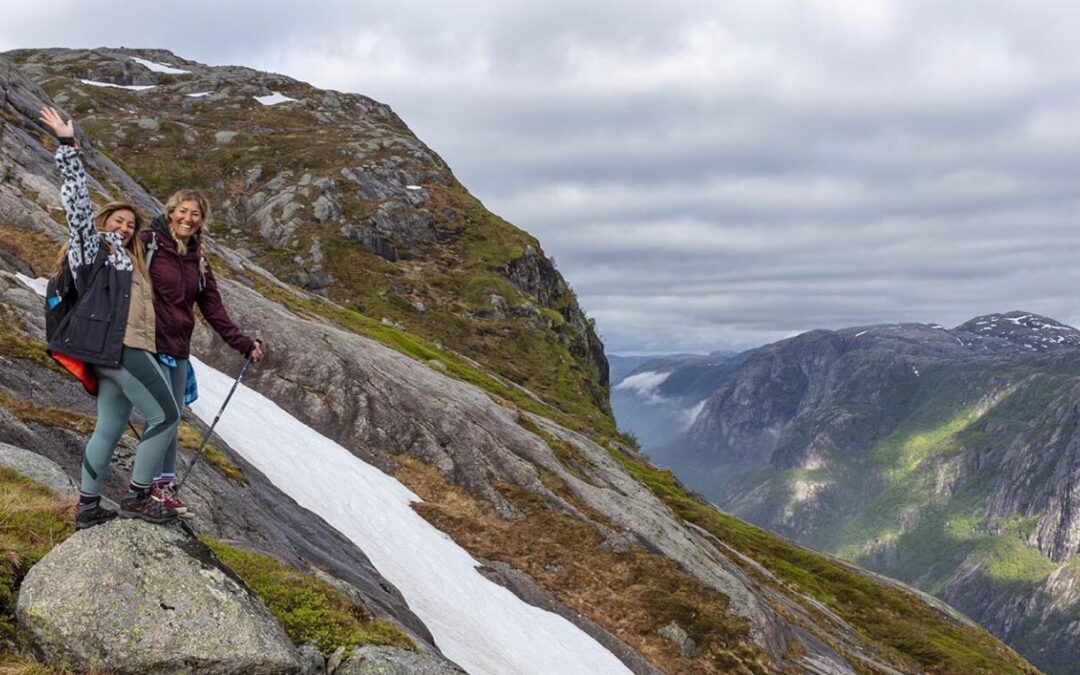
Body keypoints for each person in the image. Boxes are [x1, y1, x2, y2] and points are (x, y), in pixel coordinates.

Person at [39, 106, 180, 529]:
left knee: (110, 428)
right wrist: (68, 146)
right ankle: (138, 497)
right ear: (103, 222)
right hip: (120, 348)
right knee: (166, 416)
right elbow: (77, 205)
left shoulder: (132, 262)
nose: (123, 227)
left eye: (130, 225)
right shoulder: (92, 247)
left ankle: (87, 508)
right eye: (117, 220)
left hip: (113, 351)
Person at [140, 188, 263, 515]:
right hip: (147, 343)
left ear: (201, 220)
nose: (188, 219)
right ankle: (143, 489)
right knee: (162, 416)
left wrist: (244, 344)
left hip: (178, 348)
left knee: (173, 417)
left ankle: (162, 488)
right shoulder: (147, 243)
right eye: (183, 211)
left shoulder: (199, 261)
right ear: (170, 212)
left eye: (195, 214)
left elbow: (214, 311)